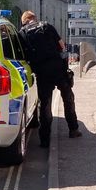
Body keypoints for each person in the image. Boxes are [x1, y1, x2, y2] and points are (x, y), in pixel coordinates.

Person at [19, 10, 82, 148]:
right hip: (58, 69)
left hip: (41, 72)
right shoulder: (46, 26)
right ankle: (73, 129)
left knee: (45, 105)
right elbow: (62, 46)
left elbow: (23, 55)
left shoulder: (22, 33)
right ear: (34, 18)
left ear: (24, 21)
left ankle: (45, 140)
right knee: (68, 98)